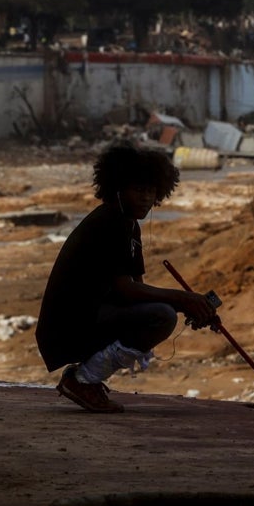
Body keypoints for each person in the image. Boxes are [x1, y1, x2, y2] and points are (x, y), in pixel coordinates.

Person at [35, 143, 219, 413]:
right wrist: (184, 299)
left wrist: (192, 305)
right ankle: (83, 380)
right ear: (118, 189)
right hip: (69, 324)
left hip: (90, 315)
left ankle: (86, 379)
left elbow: (137, 289)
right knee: (163, 316)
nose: (146, 198)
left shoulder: (128, 225)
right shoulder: (109, 222)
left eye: (151, 191)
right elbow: (126, 292)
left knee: (162, 312)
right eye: (138, 190)